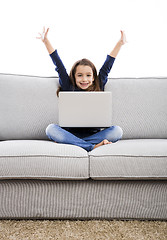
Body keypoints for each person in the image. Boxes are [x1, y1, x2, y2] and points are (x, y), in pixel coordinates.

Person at [37, 27, 126, 151]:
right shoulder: (68, 86)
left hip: (94, 135)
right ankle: (91, 147)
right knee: (50, 129)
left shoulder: (98, 85)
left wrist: (120, 43)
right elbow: (59, 65)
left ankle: (72, 143)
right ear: (74, 76)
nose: (84, 79)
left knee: (117, 131)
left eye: (88, 75)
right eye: (80, 75)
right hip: (71, 133)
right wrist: (46, 41)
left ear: (94, 77)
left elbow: (108, 65)